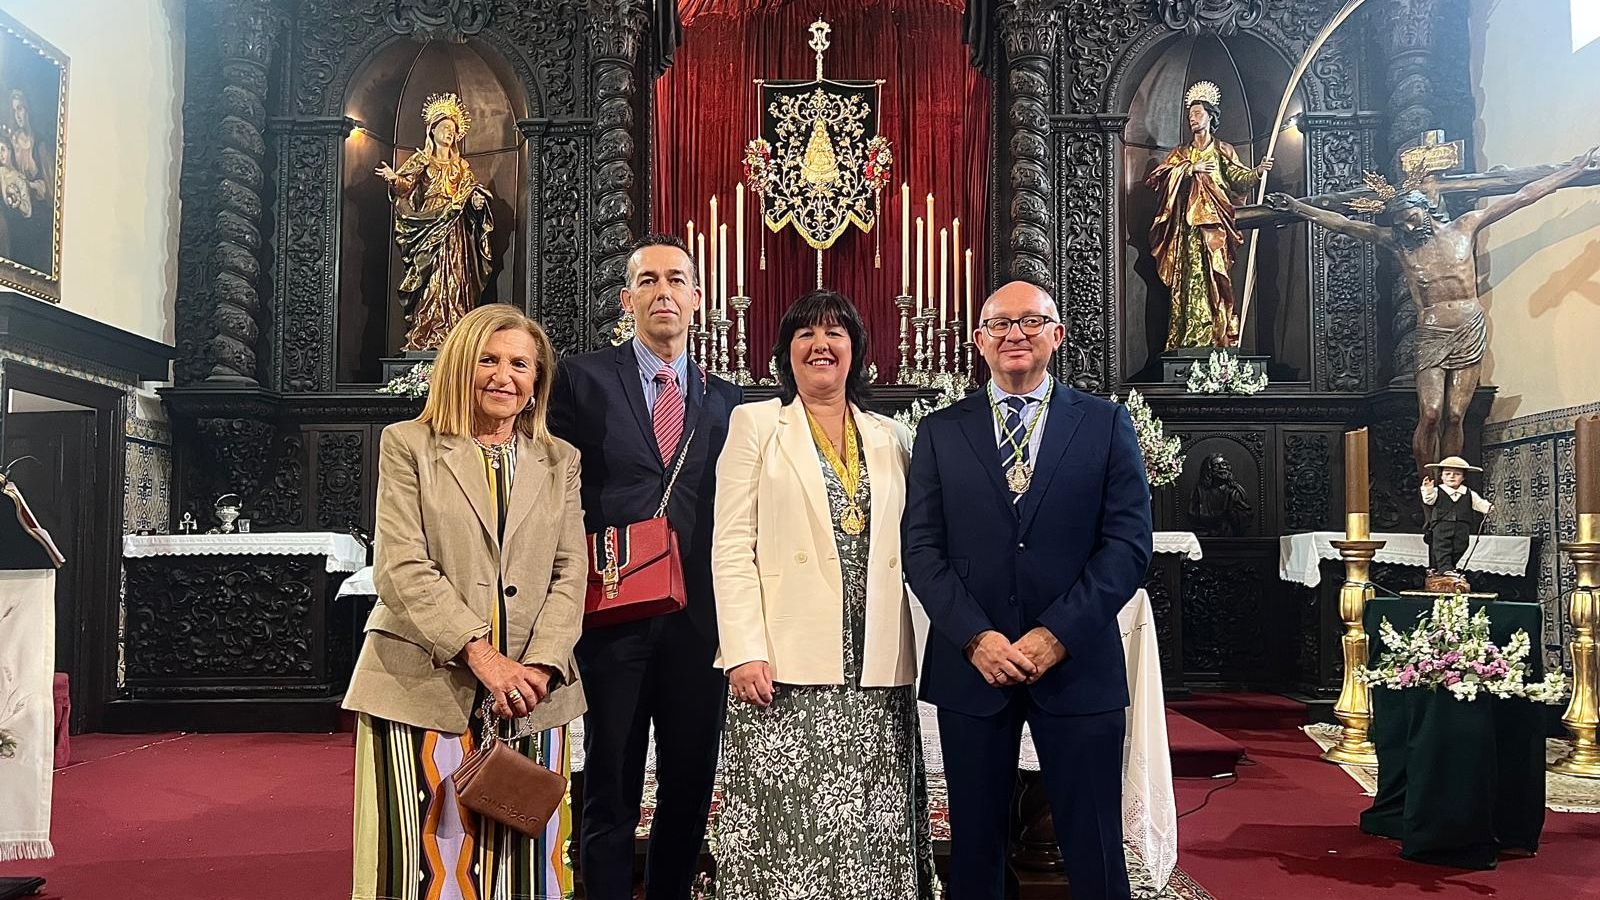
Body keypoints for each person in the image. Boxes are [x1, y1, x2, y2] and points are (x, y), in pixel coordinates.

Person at [904, 281, 1154, 900]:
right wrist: (976, 637)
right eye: (1000, 324)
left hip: (1077, 664)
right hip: (974, 668)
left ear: (1057, 335)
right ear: (979, 341)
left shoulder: (1105, 423)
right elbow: (922, 550)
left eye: (1031, 322)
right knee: (974, 846)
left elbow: (1127, 546)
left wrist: (1056, 635)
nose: (1015, 333)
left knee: (1094, 842)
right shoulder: (939, 432)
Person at [343, 303, 587, 900]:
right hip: (424, 684)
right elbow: (400, 565)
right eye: (489, 359)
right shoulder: (410, 445)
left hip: (533, 694)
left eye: (521, 365)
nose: (505, 375)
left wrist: (541, 664)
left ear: (537, 383)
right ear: (459, 366)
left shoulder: (561, 461)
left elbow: (570, 570)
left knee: (528, 861)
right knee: (426, 859)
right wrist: (481, 655)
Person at [711, 290, 934, 900]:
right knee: (787, 822)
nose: (821, 345)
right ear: (786, 351)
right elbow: (730, 546)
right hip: (785, 662)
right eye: (805, 333)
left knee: (874, 825)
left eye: (836, 333)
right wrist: (744, 648)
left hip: (877, 661)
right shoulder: (756, 425)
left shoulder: (892, 436)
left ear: (856, 351)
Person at [547, 233, 743, 900]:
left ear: (697, 299)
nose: (664, 292)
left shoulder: (728, 400)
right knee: (610, 784)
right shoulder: (580, 377)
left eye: (677, 280)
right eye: (649, 280)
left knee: (689, 787)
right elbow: (555, 489)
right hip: (614, 614)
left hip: (698, 622)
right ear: (627, 299)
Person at [1266, 147, 1599, 477]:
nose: (1408, 228)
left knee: (1455, 414)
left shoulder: (1464, 227)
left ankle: (1450, 486)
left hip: (1469, 326)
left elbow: (1523, 196)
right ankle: (1428, 486)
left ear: (1424, 209)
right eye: (1400, 224)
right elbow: (1344, 224)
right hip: (1431, 332)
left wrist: (1573, 170)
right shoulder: (1399, 243)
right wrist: (1299, 207)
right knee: (1430, 412)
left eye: (1411, 219)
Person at [1144, 81, 1273, 350]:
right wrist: (1190, 168)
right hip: (1189, 230)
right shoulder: (1181, 153)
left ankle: (1218, 336)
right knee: (1190, 280)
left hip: (1216, 226)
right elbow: (1158, 178)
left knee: (1217, 278)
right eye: (1190, 114)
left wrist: (1258, 171)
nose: (1193, 118)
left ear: (1211, 116)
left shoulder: (1222, 150)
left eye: (1198, 113)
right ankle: (1188, 337)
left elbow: (1239, 178)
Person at [376, 92, 496, 351]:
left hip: (455, 228)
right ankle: (426, 328)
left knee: (455, 276)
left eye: (453, 130)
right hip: (428, 222)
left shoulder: (461, 166)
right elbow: (406, 186)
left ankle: (453, 331)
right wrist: (393, 179)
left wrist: (476, 202)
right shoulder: (422, 159)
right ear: (432, 131)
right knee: (430, 277)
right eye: (444, 128)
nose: (449, 133)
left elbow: (470, 190)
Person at [1420, 455, 1493, 575]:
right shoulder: (1438, 491)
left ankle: (1448, 567)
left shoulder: (1468, 493)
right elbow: (1429, 500)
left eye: (1457, 474)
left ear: (1463, 477)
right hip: (1442, 524)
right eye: (1447, 473)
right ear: (1442, 476)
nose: (1452, 476)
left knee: (1461, 545)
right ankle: (1445, 569)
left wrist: (1487, 508)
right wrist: (1428, 489)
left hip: (1462, 524)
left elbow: (1479, 503)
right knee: (1442, 546)